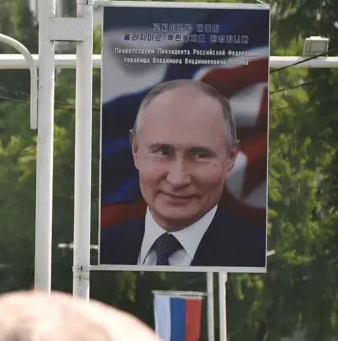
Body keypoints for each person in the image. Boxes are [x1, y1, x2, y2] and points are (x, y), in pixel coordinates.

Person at [99, 79, 265, 268]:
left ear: (231, 157)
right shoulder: (103, 249)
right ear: (135, 149)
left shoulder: (258, 255)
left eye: (200, 155)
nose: (177, 179)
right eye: (162, 152)